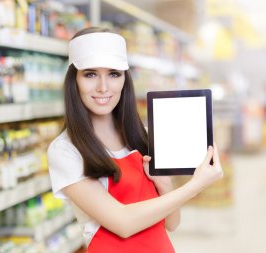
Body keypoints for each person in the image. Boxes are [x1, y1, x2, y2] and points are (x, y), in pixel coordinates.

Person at [47, 27, 223, 252]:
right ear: (74, 81)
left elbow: (172, 223)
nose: (103, 87)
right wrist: (196, 186)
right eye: (90, 74)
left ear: (124, 79)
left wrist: (165, 185)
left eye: (114, 74)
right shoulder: (65, 150)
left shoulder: (143, 137)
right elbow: (123, 223)